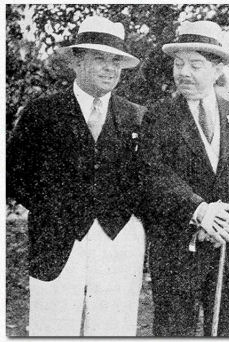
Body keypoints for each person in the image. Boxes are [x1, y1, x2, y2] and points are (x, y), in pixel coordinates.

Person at [6, 16, 146, 336]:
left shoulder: (137, 116)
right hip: (57, 240)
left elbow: (147, 178)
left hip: (118, 239)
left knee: (113, 328)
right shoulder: (42, 112)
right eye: (100, 59)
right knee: (52, 328)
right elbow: (16, 173)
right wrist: (54, 208)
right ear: (77, 61)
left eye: (116, 61)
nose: (110, 69)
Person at [139, 20, 229, 336]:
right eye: (178, 63)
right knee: (174, 330)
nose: (183, 72)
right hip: (176, 249)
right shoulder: (158, 116)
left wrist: (226, 219)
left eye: (195, 65)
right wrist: (201, 211)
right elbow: (152, 173)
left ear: (217, 69)